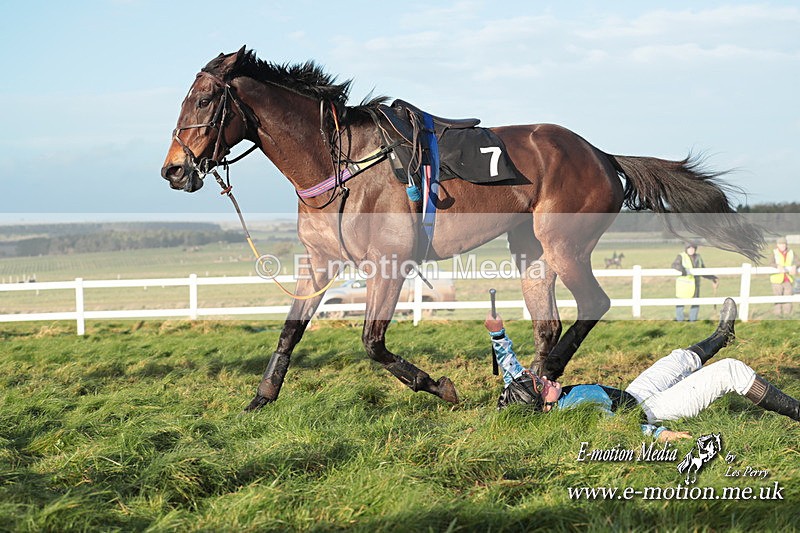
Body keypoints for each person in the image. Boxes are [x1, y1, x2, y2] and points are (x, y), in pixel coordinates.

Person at [486, 298, 799, 442]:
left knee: (677, 359)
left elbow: (513, 371)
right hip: (650, 411)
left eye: (536, 376)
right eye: (541, 385)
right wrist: (662, 435)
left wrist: (497, 334)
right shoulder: (577, 412)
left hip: (633, 394)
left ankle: (722, 336)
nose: (543, 377)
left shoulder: (530, 393)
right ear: (544, 406)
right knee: (730, 370)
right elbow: (620, 430)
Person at [672, 242, 719, 322]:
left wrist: (712, 277)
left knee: (696, 303)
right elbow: (675, 265)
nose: (691, 250)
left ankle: (692, 321)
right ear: (686, 249)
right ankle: (680, 321)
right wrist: (683, 270)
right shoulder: (681, 256)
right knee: (680, 304)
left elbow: (703, 270)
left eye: (693, 248)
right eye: (689, 248)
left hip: (695, 285)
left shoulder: (698, 257)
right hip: (683, 285)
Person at [769, 236, 798, 316]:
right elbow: (770, 263)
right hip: (777, 279)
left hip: (788, 279)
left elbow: (798, 261)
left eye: (784, 244)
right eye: (780, 244)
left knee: (788, 298)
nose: (782, 246)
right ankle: (778, 315)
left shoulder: (791, 252)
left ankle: (787, 315)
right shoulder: (774, 252)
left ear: (786, 245)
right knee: (778, 298)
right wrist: (777, 265)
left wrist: (795, 266)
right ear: (777, 245)